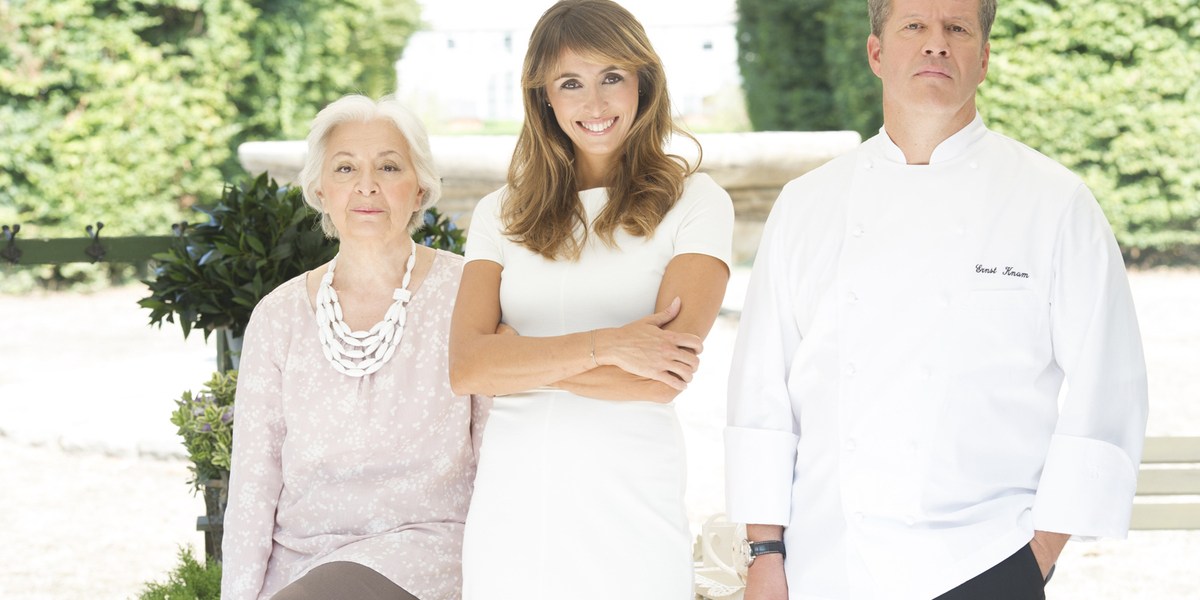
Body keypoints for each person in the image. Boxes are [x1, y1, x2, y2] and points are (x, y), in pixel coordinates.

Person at [724, 0, 1149, 598]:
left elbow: (1110, 383)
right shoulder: (806, 204)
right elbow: (761, 390)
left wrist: (1038, 554)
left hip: (986, 559)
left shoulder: (1053, 202)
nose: (936, 43)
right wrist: (764, 553)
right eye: (914, 26)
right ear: (876, 53)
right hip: (828, 563)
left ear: (984, 58)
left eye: (957, 28)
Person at [448, 1, 735, 598]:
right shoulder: (500, 213)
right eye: (570, 83)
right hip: (514, 511)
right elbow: (468, 367)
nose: (595, 104)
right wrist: (610, 345)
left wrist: (519, 358)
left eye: (612, 76)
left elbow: (658, 378)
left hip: (633, 506)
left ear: (643, 82)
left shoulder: (696, 202)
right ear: (544, 97)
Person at [220, 95, 488, 600]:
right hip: (299, 564)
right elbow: (254, 485)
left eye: (388, 166)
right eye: (345, 168)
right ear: (321, 190)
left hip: (423, 553)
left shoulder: (468, 295)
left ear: (420, 188)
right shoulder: (278, 317)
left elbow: (499, 455)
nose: (367, 185)